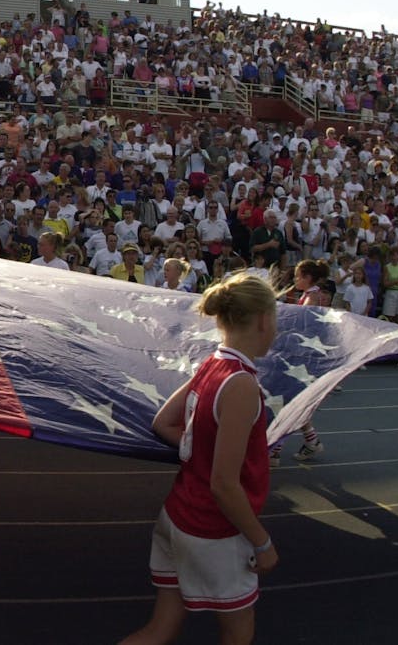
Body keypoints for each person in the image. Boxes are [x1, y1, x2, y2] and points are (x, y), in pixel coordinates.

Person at [122, 273, 280, 645]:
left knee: (160, 628)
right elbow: (224, 484)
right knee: (238, 630)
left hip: (177, 513)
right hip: (213, 530)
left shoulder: (213, 364)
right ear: (262, 320)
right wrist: (262, 542)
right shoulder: (241, 385)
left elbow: (164, 423)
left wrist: (201, 452)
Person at [275, 259, 330, 464]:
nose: (295, 280)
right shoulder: (309, 296)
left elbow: (304, 328)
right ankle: (311, 441)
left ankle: (276, 447)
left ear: (307, 278)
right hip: (299, 355)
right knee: (291, 401)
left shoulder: (312, 298)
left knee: (287, 400)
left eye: (298, 276)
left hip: (302, 358)